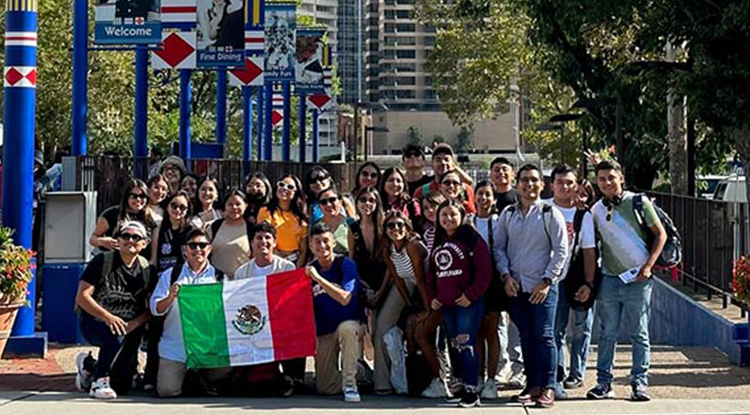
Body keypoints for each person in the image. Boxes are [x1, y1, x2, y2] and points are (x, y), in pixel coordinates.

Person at [587, 160, 666, 402]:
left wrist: (648, 267)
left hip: (639, 278)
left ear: (621, 177)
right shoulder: (596, 210)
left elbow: (660, 234)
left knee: (639, 333)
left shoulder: (638, 202)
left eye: (611, 177)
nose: (607, 183)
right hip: (609, 279)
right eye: (602, 179)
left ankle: (639, 383)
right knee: (607, 333)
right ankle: (603, 383)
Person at [495, 164, 569, 409]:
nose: (529, 185)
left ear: (542, 184)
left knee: (545, 336)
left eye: (534, 180)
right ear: (517, 184)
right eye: (524, 180)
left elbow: (561, 251)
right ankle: (533, 385)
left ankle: (549, 386)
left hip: (543, 288)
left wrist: (547, 281)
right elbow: (499, 247)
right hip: (517, 288)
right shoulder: (508, 214)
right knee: (526, 335)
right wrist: (506, 276)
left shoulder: (550, 213)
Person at [75, 221, 157, 399]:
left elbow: (153, 308)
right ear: (118, 240)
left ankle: (89, 365)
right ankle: (98, 382)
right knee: (114, 337)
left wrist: (134, 324)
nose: (130, 240)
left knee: (122, 384)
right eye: (125, 236)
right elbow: (82, 297)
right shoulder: (103, 261)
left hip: (129, 325)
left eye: (136, 237)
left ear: (144, 243)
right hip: (95, 321)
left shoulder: (147, 270)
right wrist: (108, 317)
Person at [422, 199, 491, 408]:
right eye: (444, 215)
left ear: (461, 216)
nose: (448, 219)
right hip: (446, 305)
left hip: (467, 303)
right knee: (456, 346)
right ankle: (460, 386)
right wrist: (433, 295)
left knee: (466, 343)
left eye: (453, 214)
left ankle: (472, 390)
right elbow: (432, 273)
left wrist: (471, 294)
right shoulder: (439, 241)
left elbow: (484, 271)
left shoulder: (471, 239)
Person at [149, 227, 229, 398]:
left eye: (202, 245)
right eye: (193, 246)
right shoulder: (171, 275)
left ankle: (201, 379)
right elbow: (155, 309)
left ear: (209, 248)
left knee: (228, 364)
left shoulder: (220, 278)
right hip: (176, 347)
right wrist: (170, 296)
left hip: (207, 346)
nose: (198, 250)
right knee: (167, 391)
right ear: (185, 250)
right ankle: (188, 379)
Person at [547, 166, 597, 399]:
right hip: (551, 280)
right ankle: (557, 371)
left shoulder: (582, 216)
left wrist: (589, 283)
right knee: (554, 331)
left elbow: (589, 252)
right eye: (560, 182)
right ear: (552, 184)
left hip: (576, 279)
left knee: (580, 329)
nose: (564, 187)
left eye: (569, 183)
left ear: (575, 186)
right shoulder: (543, 209)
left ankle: (576, 373)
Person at [305, 222, 366, 403]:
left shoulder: (345, 264)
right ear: (310, 245)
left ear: (333, 243)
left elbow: (345, 298)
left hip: (351, 323)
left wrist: (318, 279)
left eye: (325, 241)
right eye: (317, 242)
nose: (321, 246)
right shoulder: (309, 269)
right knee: (325, 388)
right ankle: (361, 374)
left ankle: (350, 384)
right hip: (325, 329)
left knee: (346, 329)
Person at [373, 210, 428, 395]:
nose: (395, 229)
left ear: (407, 227)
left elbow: (421, 280)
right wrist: (408, 303)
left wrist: (426, 310)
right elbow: (397, 278)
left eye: (400, 225)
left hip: (427, 284)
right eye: (391, 225)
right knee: (381, 324)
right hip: (405, 283)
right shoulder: (387, 249)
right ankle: (382, 382)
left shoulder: (413, 246)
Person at [488, 157, 524, 389]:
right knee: (498, 321)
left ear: (512, 174)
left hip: (518, 268)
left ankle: (520, 369)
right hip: (493, 270)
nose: (500, 173)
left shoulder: (519, 200)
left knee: (517, 321)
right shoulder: (486, 198)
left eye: (504, 169)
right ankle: (502, 366)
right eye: (496, 170)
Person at [468, 180, 502, 400]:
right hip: (473, 281)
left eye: (488, 194)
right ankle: (478, 376)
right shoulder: (467, 222)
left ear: (494, 199)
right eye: (479, 194)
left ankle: (492, 379)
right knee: (477, 332)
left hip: (495, 282)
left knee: (492, 330)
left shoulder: (500, 222)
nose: (483, 198)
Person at [89, 179, 156, 256]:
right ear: (126, 197)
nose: (138, 199)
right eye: (133, 196)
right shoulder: (111, 214)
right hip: (114, 261)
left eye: (142, 196)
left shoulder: (149, 216)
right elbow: (93, 239)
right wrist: (102, 241)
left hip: (140, 263)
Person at [257, 175, 309, 268]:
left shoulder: (300, 218)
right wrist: (283, 263)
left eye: (290, 187)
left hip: (295, 262)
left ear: (296, 192)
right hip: (272, 261)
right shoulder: (265, 212)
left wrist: (295, 267)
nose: (284, 188)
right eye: (281, 184)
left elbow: (303, 249)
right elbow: (264, 239)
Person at [348, 186, 387, 304]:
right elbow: (351, 258)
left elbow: (390, 262)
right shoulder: (353, 228)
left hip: (385, 280)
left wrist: (382, 290)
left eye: (372, 200)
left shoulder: (384, 227)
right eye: (363, 200)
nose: (367, 203)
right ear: (357, 203)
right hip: (363, 281)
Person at [209, 189, 252, 279]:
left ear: (246, 205)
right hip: (216, 280)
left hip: (242, 282)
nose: (234, 207)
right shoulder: (214, 226)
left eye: (238, 204)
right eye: (230, 204)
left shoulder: (251, 228)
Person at [151, 191, 192, 273]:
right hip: (163, 277)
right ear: (167, 207)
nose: (177, 210)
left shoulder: (191, 231)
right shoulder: (158, 230)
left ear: (187, 210)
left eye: (182, 207)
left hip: (185, 277)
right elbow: (154, 260)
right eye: (174, 205)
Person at [380, 167, 422, 231]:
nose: (395, 184)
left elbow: (419, 228)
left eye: (398, 181)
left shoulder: (411, 204)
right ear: (383, 183)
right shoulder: (377, 204)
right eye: (391, 180)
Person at [317, 187, 354, 257]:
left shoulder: (351, 223)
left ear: (340, 202)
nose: (328, 204)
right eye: (323, 202)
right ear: (319, 206)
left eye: (332, 200)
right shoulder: (316, 226)